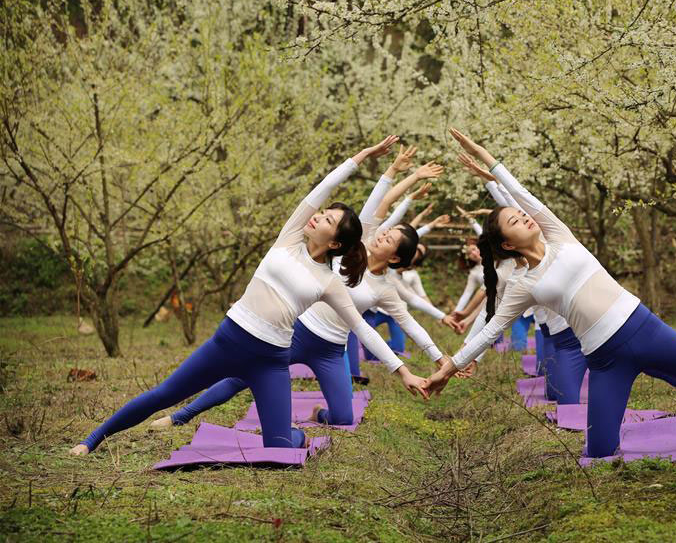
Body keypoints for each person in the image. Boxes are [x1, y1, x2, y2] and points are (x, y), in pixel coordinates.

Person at [425, 129, 676, 458]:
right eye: (514, 220)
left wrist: (486, 157)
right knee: (599, 451)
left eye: (521, 214)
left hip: (642, 327)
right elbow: (492, 328)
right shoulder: (522, 284)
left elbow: (523, 193)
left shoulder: (559, 236)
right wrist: (449, 367)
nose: (523, 217)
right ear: (508, 244)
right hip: (604, 360)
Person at [70, 137, 429, 455]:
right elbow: (319, 189)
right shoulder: (289, 237)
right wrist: (361, 158)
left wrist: (404, 372)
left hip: (271, 361)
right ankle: (92, 439)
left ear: (335, 243)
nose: (317, 217)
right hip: (228, 341)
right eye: (321, 213)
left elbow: (362, 330)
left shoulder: (330, 281)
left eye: (327, 220)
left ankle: (296, 437)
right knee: (163, 395)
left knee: (280, 447)